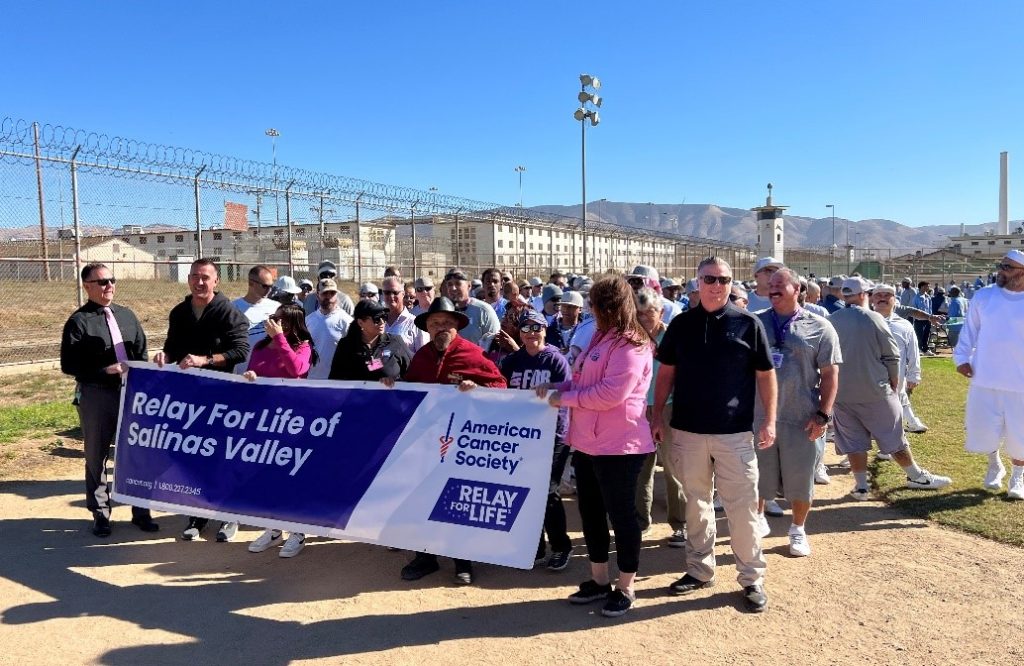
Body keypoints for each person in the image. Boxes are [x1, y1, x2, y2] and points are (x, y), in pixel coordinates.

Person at [652, 256, 776, 613]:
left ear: (731, 283)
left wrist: (769, 420)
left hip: (734, 434)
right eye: (709, 278)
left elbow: (767, 375)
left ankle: (751, 578)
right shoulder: (681, 324)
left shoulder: (748, 324)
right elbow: (666, 373)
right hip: (688, 431)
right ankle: (700, 569)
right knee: (697, 502)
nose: (716, 285)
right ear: (698, 282)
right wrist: (657, 413)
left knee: (742, 508)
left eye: (723, 279)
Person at [536, 276, 655, 618]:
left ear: (611, 308)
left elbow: (610, 394)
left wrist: (565, 399)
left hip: (621, 445)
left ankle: (626, 585)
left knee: (622, 517)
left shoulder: (633, 345)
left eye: (597, 306)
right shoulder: (600, 337)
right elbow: (586, 380)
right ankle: (599, 580)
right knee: (590, 512)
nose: (592, 311)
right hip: (588, 441)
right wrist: (558, 385)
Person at [390, 297, 506, 585]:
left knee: (456, 500)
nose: (440, 328)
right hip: (426, 440)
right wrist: (391, 387)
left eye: (446, 323)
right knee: (421, 497)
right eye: (434, 323)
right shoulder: (422, 356)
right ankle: (426, 556)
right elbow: (411, 389)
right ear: (427, 328)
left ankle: (461, 560)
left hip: (462, 440)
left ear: (457, 326)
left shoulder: (473, 354)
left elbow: (502, 386)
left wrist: (477, 388)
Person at [154, 258, 250, 542]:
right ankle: (198, 513)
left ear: (216, 281)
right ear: (188, 279)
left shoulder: (229, 313)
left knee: (224, 457)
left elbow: (240, 351)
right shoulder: (179, 313)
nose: (199, 282)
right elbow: (172, 347)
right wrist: (165, 356)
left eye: (205, 277)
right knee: (194, 457)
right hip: (189, 401)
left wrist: (206, 360)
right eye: (195, 276)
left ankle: (231, 516)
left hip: (221, 399)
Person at [829, 277, 951, 500]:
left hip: (842, 393)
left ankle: (862, 486)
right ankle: (915, 475)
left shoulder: (832, 319)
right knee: (893, 435)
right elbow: (892, 355)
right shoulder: (875, 319)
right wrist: (895, 382)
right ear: (865, 294)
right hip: (876, 390)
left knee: (854, 441)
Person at [60, 263, 158, 538]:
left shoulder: (126, 315)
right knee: (97, 455)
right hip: (97, 394)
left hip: (131, 393)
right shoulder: (79, 322)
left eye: (111, 280)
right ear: (87, 286)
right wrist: (104, 370)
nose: (109, 286)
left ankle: (141, 511)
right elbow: (68, 364)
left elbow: (141, 351)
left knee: (137, 453)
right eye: (102, 282)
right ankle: (100, 513)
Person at [753, 268, 841, 557]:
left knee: (801, 480)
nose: (773, 287)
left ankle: (797, 529)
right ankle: (757, 521)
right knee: (756, 476)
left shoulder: (820, 327)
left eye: (780, 284)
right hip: (760, 417)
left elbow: (830, 374)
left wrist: (824, 414)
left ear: (797, 289)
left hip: (801, 417)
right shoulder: (756, 324)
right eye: (770, 284)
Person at [498, 310, 574, 570]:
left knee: (548, 491)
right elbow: (496, 387)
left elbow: (567, 392)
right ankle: (536, 545)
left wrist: (550, 391)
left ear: (545, 330)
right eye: (526, 328)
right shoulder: (512, 361)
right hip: (522, 435)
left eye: (537, 327)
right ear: (519, 333)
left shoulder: (555, 360)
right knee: (527, 490)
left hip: (553, 434)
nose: (531, 333)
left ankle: (561, 546)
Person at [242, 303, 316, 557]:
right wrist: (251, 375)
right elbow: (255, 370)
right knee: (266, 476)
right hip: (263, 420)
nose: (274, 321)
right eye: (273, 317)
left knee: (290, 477)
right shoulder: (262, 346)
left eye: (280, 319)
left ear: (292, 323)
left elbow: (297, 370)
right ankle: (273, 529)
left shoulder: (303, 346)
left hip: (291, 421)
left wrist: (280, 338)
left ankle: (297, 532)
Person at [954, 250, 1024, 498]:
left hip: (1020, 382)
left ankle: (1018, 477)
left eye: (1007, 267)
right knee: (985, 427)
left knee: (1020, 432)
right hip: (985, 376)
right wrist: (961, 358)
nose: (1001, 271)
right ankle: (994, 465)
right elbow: (969, 331)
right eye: (1000, 265)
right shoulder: (984, 296)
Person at [633, 288, 686, 547]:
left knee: (674, 468)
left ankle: (680, 524)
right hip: (638, 409)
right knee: (641, 469)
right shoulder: (630, 339)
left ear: (661, 312)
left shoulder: (674, 338)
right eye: (639, 314)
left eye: (649, 313)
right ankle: (641, 522)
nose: (644, 318)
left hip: (669, 408)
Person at [870, 284, 928, 434]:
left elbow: (913, 352)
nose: (882, 298)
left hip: (896, 375)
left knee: (895, 400)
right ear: (872, 299)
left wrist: (914, 374)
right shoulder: (863, 322)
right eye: (878, 295)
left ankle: (891, 441)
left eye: (887, 295)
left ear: (895, 300)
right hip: (868, 376)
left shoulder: (904, 325)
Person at [329, 299, 411, 382]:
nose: (382, 322)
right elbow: (335, 380)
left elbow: (412, 373)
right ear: (361, 323)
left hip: (390, 394)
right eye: (377, 318)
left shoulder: (395, 342)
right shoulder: (346, 346)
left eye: (384, 317)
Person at [232, 265, 280, 374]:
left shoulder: (276, 308)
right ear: (251, 283)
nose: (269, 290)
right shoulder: (233, 308)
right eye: (265, 286)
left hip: (268, 374)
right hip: (241, 374)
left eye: (271, 286)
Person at [305, 278, 353, 380]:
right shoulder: (308, 321)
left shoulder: (347, 322)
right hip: (311, 380)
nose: (329, 297)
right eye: (325, 293)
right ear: (317, 295)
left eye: (332, 293)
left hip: (336, 382)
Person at [441, 268, 500, 350]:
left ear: (469, 286)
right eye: (450, 284)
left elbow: (495, 343)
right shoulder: (443, 312)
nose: (453, 288)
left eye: (458, 284)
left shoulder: (483, 310)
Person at [380, 275, 428, 353]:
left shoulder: (416, 324)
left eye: (395, 292)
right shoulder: (377, 323)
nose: (391, 296)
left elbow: (424, 358)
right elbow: (374, 356)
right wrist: (375, 365)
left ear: (403, 294)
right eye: (387, 293)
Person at [912, 282, 934, 356]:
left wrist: (931, 317)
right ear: (921, 287)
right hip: (919, 320)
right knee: (919, 335)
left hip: (928, 319)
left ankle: (925, 349)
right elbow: (914, 309)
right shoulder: (916, 297)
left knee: (926, 335)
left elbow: (930, 309)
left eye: (928, 286)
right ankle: (919, 349)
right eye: (925, 286)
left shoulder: (928, 297)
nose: (927, 288)